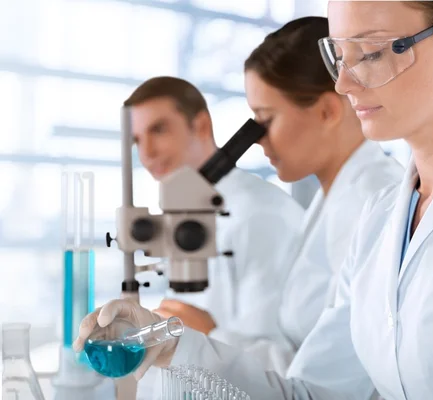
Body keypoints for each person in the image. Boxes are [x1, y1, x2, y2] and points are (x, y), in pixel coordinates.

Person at [76, 1, 433, 399]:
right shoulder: (382, 220)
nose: (345, 83)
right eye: (339, 55)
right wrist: (167, 342)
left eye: (370, 52)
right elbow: (312, 391)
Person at [152, 16, 404, 376]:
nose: (257, 138)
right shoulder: (334, 197)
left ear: (327, 111)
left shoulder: (372, 202)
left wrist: (210, 337)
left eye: (265, 119)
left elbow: (339, 380)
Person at [122, 76, 304, 344]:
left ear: (202, 126)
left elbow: (279, 361)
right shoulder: (183, 212)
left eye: (159, 130)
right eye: (137, 140)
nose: (147, 153)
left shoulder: (262, 213)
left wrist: (209, 336)